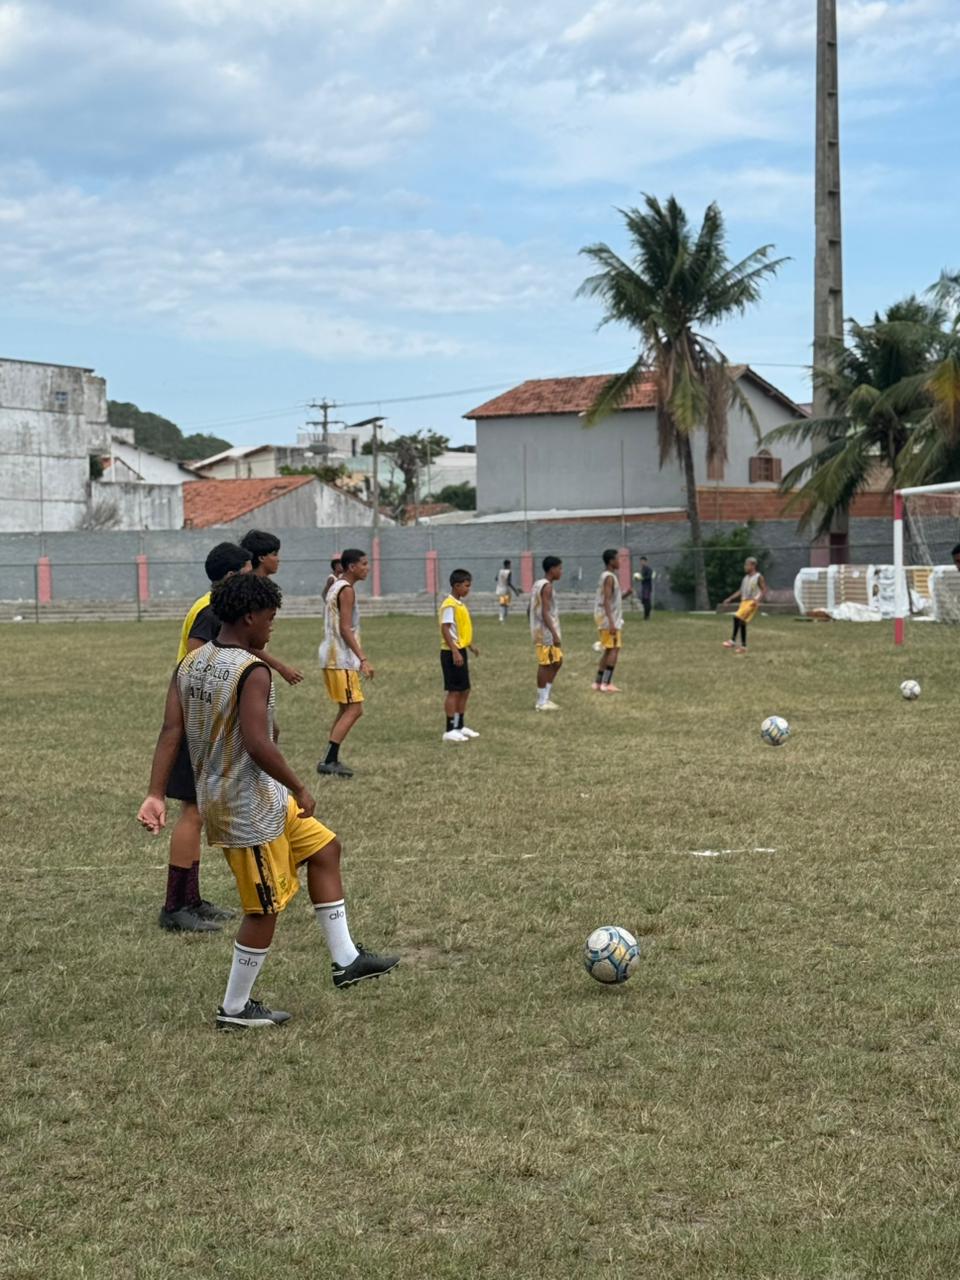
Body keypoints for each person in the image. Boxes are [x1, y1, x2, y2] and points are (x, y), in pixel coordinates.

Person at [137, 572, 399, 1029]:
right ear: (249, 617)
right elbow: (259, 743)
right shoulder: (251, 670)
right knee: (263, 908)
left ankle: (346, 960)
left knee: (325, 849)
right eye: (270, 618)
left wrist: (156, 793)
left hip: (261, 796)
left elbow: (170, 730)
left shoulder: (189, 664)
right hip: (244, 807)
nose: (272, 627)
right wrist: (300, 786)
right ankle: (235, 1009)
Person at [159, 542, 304, 934]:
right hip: (202, 721)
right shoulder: (210, 610)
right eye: (244, 570)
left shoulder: (214, 606)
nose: (250, 575)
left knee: (198, 812)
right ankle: (175, 905)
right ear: (230, 575)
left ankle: (191, 898)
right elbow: (198, 658)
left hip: (208, 719)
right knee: (193, 812)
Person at [317, 548, 373, 778]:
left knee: (345, 708)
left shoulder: (336, 585)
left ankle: (330, 758)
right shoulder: (346, 590)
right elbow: (345, 628)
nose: (367, 568)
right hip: (340, 657)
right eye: (364, 564)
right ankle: (329, 760)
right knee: (355, 709)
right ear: (352, 567)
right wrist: (363, 658)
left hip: (331, 656)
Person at [440, 569, 479, 743]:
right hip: (451, 652)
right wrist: (455, 650)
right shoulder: (449, 605)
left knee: (464, 689)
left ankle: (459, 725)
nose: (468, 589)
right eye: (466, 586)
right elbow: (445, 629)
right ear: (456, 586)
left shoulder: (459, 604)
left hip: (460, 650)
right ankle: (449, 729)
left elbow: (459, 629)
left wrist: (469, 645)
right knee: (454, 690)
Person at [530, 556, 563, 712]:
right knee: (546, 664)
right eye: (559, 568)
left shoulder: (538, 584)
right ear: (552, 569)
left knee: (557, 661)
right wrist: (554, 634)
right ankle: (541, 701)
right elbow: (544, 612)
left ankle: (546, 697)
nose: (561, 572)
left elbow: (531, 607)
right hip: (546, 632)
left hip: (541, 630)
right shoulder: (547, 587)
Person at [593, 549, 624, 693]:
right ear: (611, 561)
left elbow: (610, 599)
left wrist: (626, 595)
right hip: (608, 619)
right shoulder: (609, 577)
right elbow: (606, 600)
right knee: (614, 649)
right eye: (618, 558)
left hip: (606, 617)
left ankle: (598, 682)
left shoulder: (607, 576)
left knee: (609, 649)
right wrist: (611, 622)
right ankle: (606, 683)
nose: (620, 561)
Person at [721, 556, 767, 654]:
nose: (745, 567)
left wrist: (757, 600)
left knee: (737, 617)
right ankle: (743, 647)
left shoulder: (758, 577)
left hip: (752, 602)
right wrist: (730, 599)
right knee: (742, 622)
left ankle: (732, 641)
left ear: (753, 566)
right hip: (744, 602)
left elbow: (764, 590)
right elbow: (740, 591)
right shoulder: (745, 578)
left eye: (747, 565)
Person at [495, 559, 521, 623]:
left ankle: (502, 617)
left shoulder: (500, 571)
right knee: (504, 604)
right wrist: (515, 590)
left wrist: (500, 581)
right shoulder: (509, 572)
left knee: (503, 603)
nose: (510, 566)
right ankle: (502, 617)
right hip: (505, 589)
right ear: (508, 565)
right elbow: (509, 583)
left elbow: (496, 578)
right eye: (510, 565)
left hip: (499, 588)